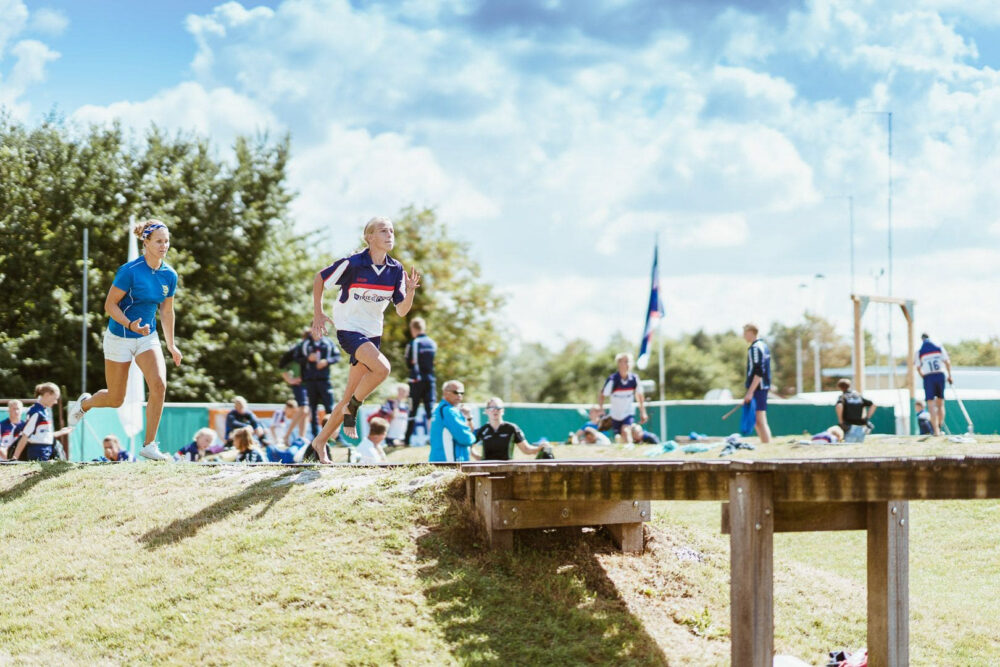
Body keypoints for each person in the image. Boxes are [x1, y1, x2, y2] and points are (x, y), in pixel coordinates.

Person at [68, 219, 182, 461]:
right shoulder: (129, 271)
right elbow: (110, 305)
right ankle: (85, 404)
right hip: (119, 337)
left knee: (159, 385)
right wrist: (130, 324)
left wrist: (171, 344)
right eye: (159, 241)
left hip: (147, 337)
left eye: (167, 241)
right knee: (115, 398)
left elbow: (166, 311)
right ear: (146, 242)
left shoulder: (169, 275)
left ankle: (149, 445)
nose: (164, 245)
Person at [309, 216, 420, 463]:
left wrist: (410, 291)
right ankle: (353, 408)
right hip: (349, 330)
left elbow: (402, 311)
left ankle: (319, 441)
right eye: (383, 231)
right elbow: (320, 278)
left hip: (372, 335)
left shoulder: (396, 269)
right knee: (383, 369)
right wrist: (318, 313)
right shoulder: (353, 263)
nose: (389, 235)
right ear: (369, 237)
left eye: (392, 231)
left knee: (348, 395)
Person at [10, 383, 72, 461]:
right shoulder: (36, 412)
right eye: (55, 398)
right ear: (47, 395)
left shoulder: (44, 411)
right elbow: (25, 436)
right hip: (38, 452)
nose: (56, 402)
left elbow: (44, 436)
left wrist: (61, 432)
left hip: (46, 450)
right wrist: (15, 457)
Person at [597, 353, 648, 444]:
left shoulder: (634, 379)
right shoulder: (613, 379)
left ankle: (631, 450)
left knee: (626, 430)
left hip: (628, 413)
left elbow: (639, 395)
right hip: (615, 415)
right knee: (620, 437)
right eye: (625, 361)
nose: (628, 364)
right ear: (619, 363)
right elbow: (602, 395)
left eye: (629, 362)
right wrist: (601, 410)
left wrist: (643, 412)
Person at [471, 397, 544, 461]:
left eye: (498, 408)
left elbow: (526, 449)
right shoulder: (482, 430)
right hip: (487, 469)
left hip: (507, 469)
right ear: (486, 411)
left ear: (503, 411)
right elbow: (469, 447)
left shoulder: (512, 428)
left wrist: (540, 448)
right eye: (491, 408)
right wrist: (478, 458)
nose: (495, 410)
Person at [301, 329, 340, 439]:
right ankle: (315, 436)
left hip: (324, 380)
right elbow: (296, 358)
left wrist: (327, 361)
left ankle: (335, 436)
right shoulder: (305, 343)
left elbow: (337, 356)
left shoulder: (328, 342)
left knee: (330, 408)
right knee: (312, 409)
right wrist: (308, 358)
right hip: (310, 381)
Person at [404, 317, 437, 445]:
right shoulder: (432, 343)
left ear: (413, 329)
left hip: (416, 381)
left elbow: (408, 363)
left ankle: (407, 440)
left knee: (412, 409)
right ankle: (434, 439)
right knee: (430, 410)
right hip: (430, 380)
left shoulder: (414, 343)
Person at [428, 380, 477, 462]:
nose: (459, 395)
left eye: (462, 393)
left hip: (439, 460)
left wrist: (468, 417)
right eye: (456, 392)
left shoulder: (440, 409)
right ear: (445, 393)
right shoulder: (449, 411)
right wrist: (473, 438)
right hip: (449, 462)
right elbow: (465, 438)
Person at [914, 333, 952, 436]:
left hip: (928, 377)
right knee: (940, 404)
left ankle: (936, 431)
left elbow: (918, 367)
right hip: (940, 375)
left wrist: (923, 376)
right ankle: (939, 426)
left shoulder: (919, 351)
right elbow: (947, 362)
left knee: (931, 404)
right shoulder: (939, 347)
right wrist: (949, 376)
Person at [742, 323, 772, 444]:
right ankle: (766, 443)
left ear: (751, 332)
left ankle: (766, 445)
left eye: (745, 333)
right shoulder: (763, 346)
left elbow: (758, 371)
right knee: (759, 420)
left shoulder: (755, 348)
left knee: (759, 420)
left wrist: (750, 392)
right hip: (760, 387)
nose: (743, 336)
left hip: (758, 388)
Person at [278, 330, 311, 440]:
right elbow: (281, 366)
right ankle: (286, 436)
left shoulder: (314, 350)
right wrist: (290, 380)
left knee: (306, 412)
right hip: (299, 384)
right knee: (303, 409)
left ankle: (301, 437)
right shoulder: (296, 350)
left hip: (310, 384)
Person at [835, 378, 877, 443]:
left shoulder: (843, 397)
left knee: (848, 447)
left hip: (848, 426)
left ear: (840, 387)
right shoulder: (858, 396)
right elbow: (873, 405)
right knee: (858, 447)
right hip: (860, 427)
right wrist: (867, 418)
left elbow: (839, 406)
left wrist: (840, 421)